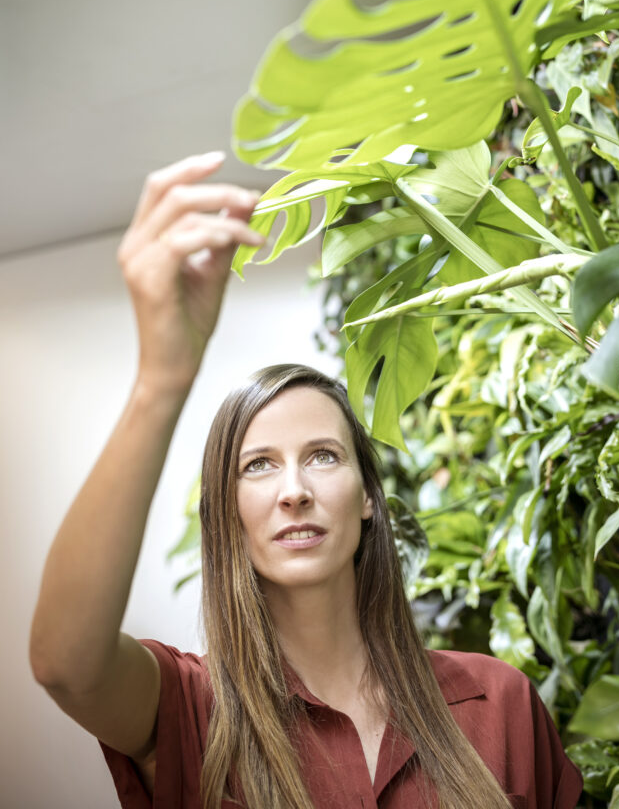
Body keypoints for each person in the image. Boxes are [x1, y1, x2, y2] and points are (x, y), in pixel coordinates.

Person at [29, 151, 583, 809]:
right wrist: (161, 379)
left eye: (322, 455)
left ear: (370, 498)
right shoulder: (191, 710)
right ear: (226, 515)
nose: (294, 489)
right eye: (257, 465)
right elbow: (65, 664)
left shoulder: (500, 702)